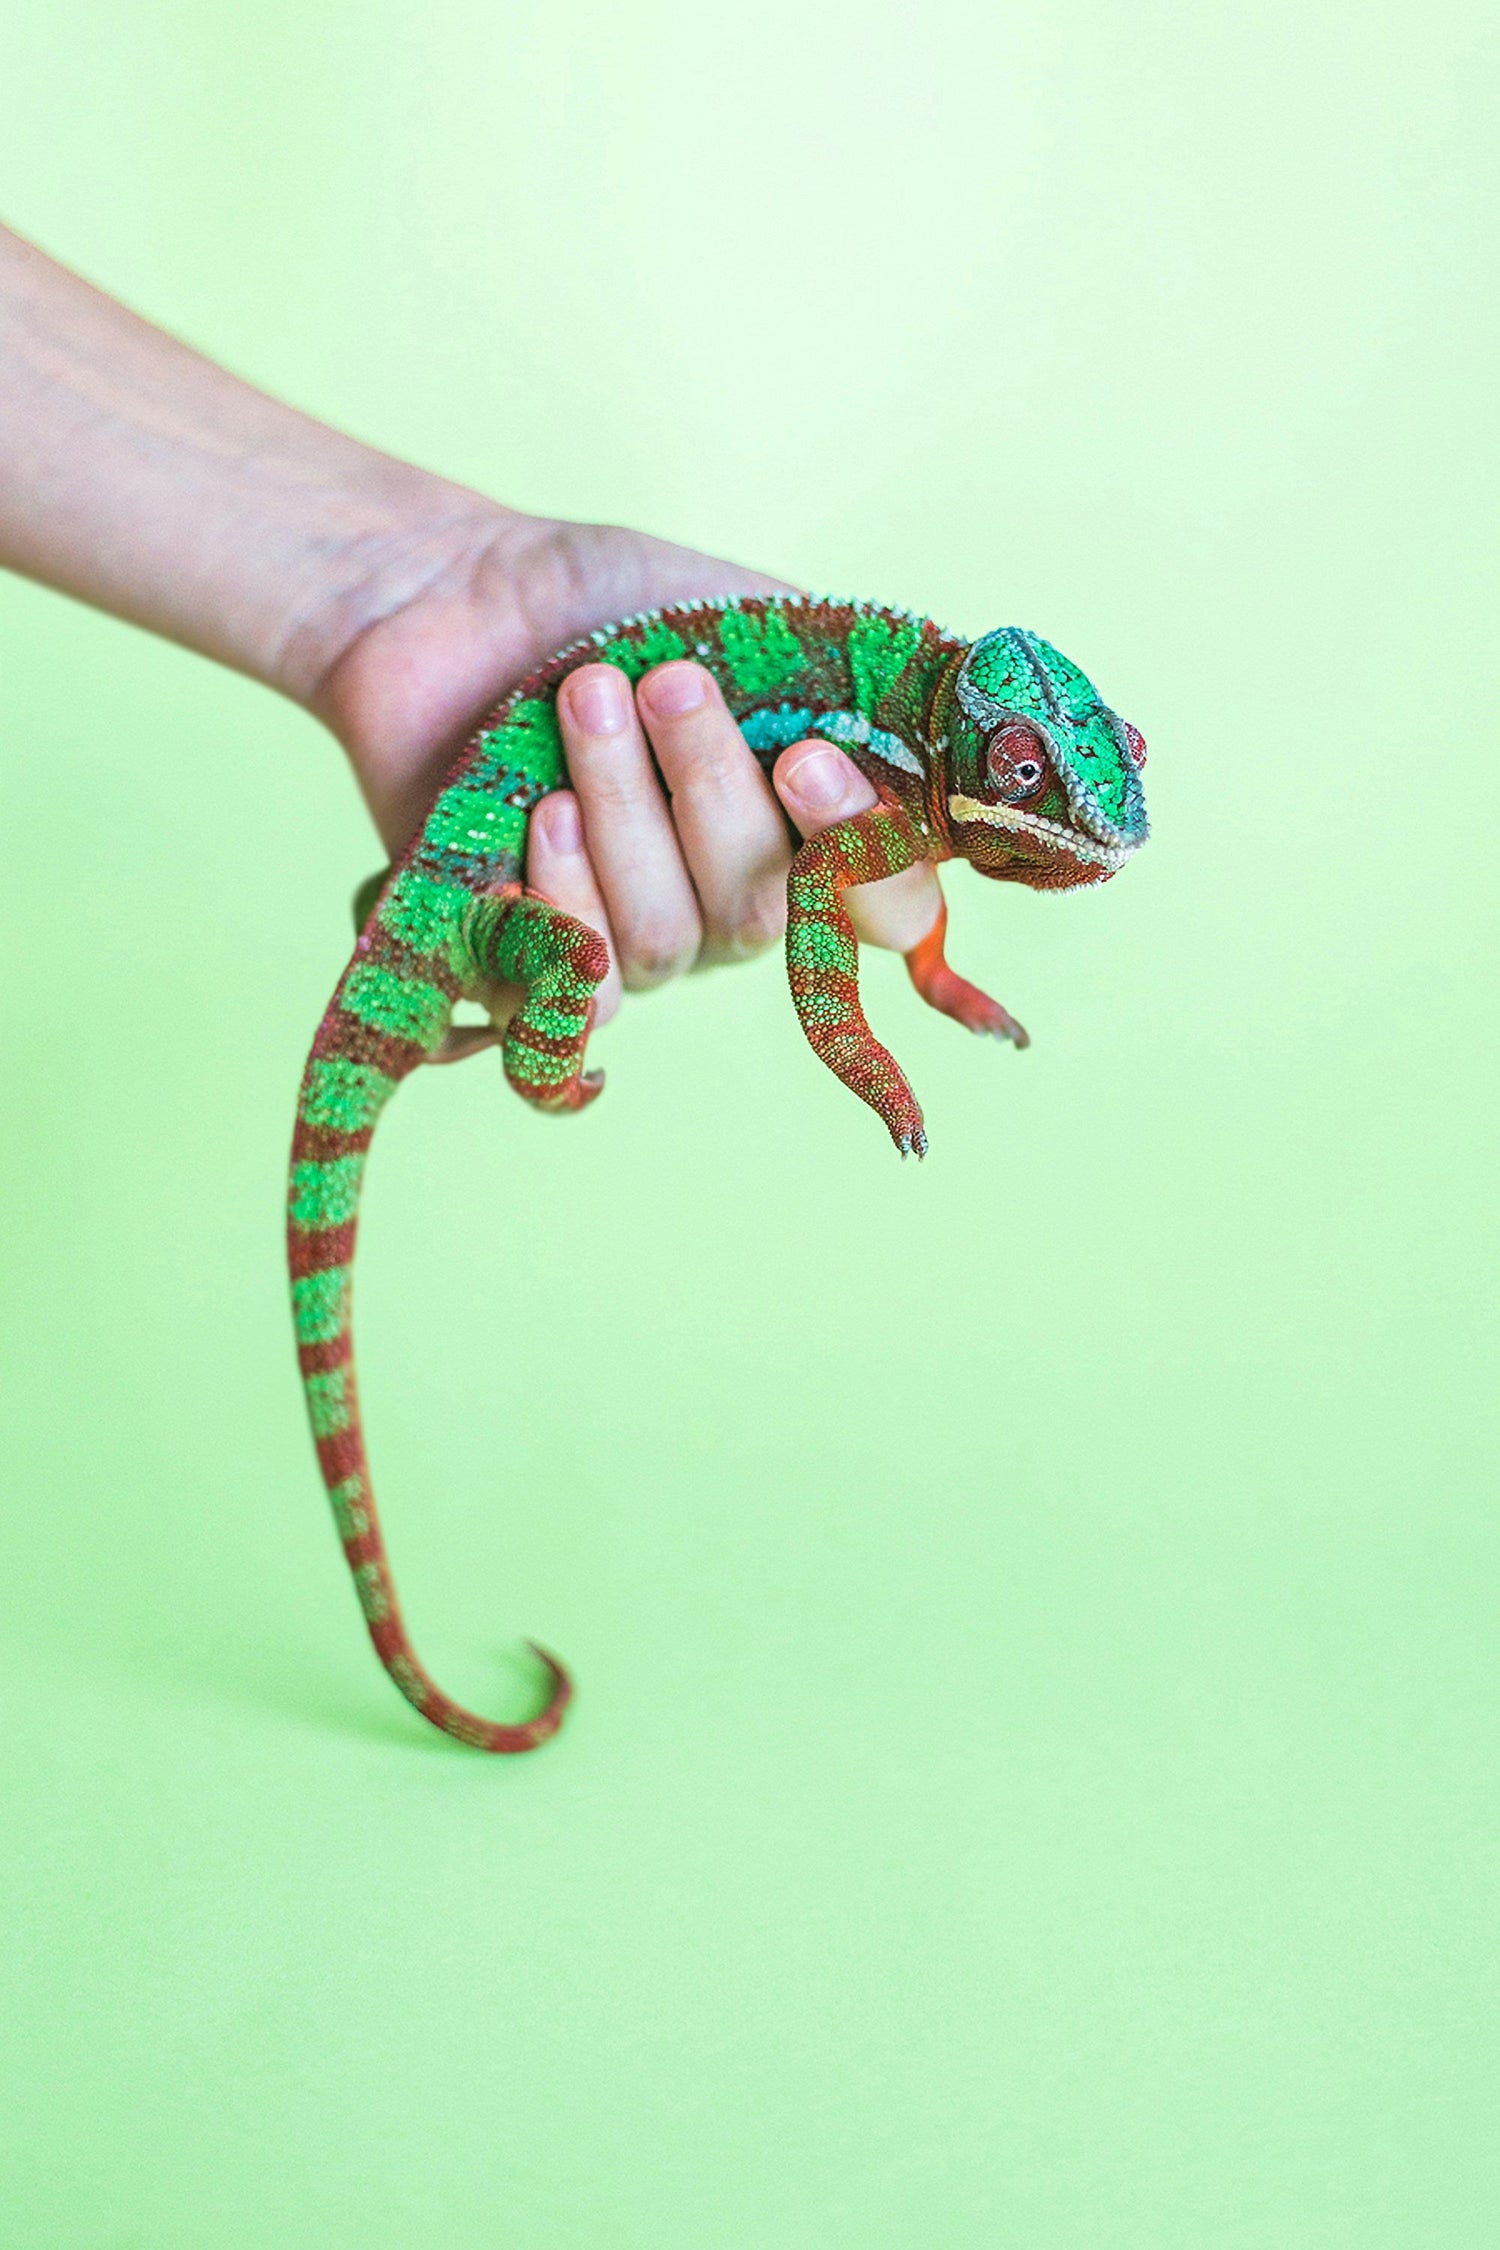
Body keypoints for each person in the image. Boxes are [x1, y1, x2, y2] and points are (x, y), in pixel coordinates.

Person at [0, 223, 944, 1035]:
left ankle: (445, 967)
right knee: (524, 936)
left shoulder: (911, 750)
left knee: (488, 923)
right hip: (513, 772)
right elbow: (826, 909)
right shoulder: (900, 726)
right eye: (1026, 768)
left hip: (498, 795)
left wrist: (401, 589)